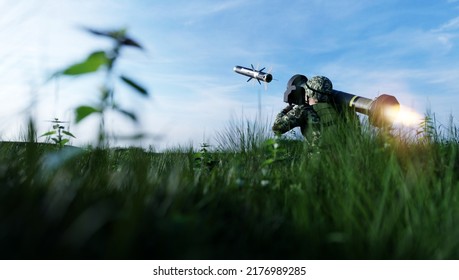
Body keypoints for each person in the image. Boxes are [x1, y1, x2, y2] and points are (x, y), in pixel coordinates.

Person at [272, 75, 358, 153]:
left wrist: (286, 110)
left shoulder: (303, 110)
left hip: (318, 163)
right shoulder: (342, 109)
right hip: (345, 160)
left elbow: (277, 128)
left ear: (310, 92)